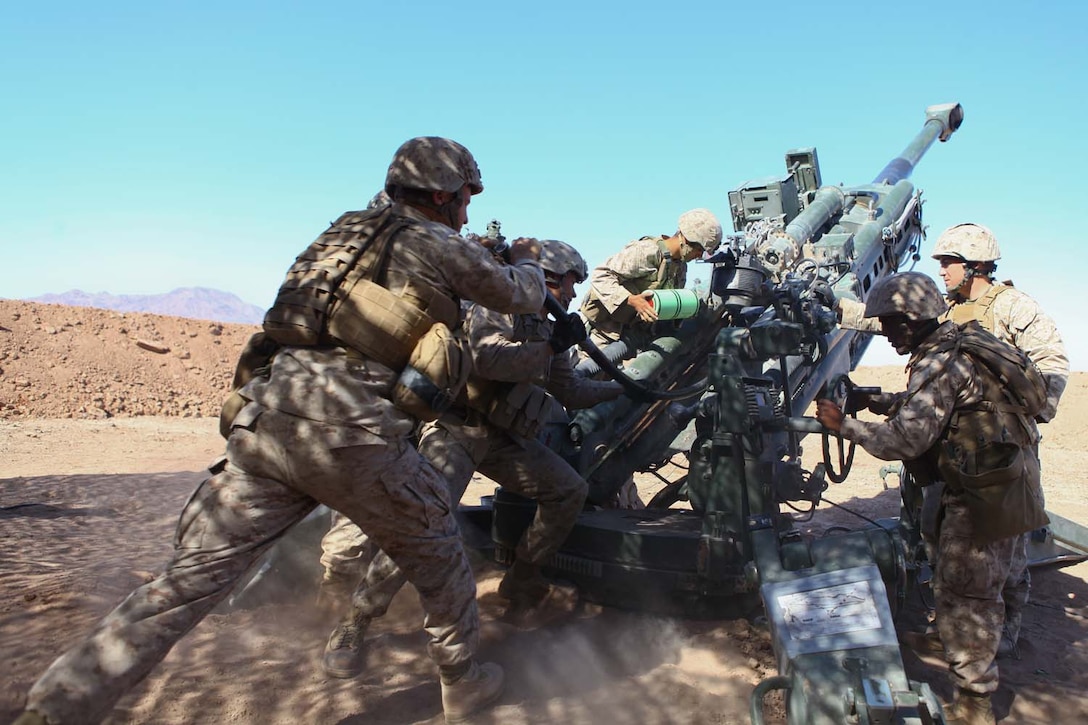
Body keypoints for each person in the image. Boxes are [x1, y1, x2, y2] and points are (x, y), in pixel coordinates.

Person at [13, 136, 549, 725]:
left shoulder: (339, 234)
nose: (468, 214)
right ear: (443, 194)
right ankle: (464, 682)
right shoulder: (433, 239)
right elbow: (519, 292)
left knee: (184, 586)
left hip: (268, 422)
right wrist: (522, 257)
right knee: (443, 554)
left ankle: (58, 704)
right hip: (354, 435)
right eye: (466, 199)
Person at [320, 237, 625, 679]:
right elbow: (488, 358)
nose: (575, 294)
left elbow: (570, 391)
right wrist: (552, 347)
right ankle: (357, 619)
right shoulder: (498, 302)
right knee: (423, 521)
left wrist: (625, 387)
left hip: (503, 439)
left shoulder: (545, 326)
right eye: (572, 284)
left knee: (568, 492)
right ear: (551, 279)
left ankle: (521, 582)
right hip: (457, 430)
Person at [815, 271, 1048, 725]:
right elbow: (945, 405)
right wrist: (879, 400)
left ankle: (975, 702)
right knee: (994, 581)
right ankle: (968, 642)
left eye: (888, 323)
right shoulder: (961, 344)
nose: (883, 331)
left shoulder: (937, 363)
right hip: (1011, 481)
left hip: (981, 497)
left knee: (969, 595)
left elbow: (906, 441)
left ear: (910, 320)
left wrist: (844, 426)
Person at [838, 222, 1069, 658]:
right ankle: (954, 628)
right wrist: (835, 308)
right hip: (950, 441)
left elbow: (1051, 362)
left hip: (1001, 446)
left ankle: (1000, 637)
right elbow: (896, 319)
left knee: (1007, 546)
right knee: (944, 537)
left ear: (977, 265)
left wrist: (1026, 411)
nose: (942, 270)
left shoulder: (1014, 308)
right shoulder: (948, 310)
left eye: (950, 263)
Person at [579, 208, 723, 355]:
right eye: (699, 250)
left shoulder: (680, 267)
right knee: (587, 374)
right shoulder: (647, 251)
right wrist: (631, 300)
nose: (699, 256)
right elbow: (601, 274)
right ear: (686, 240)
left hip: (633, 338)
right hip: (602, 332)